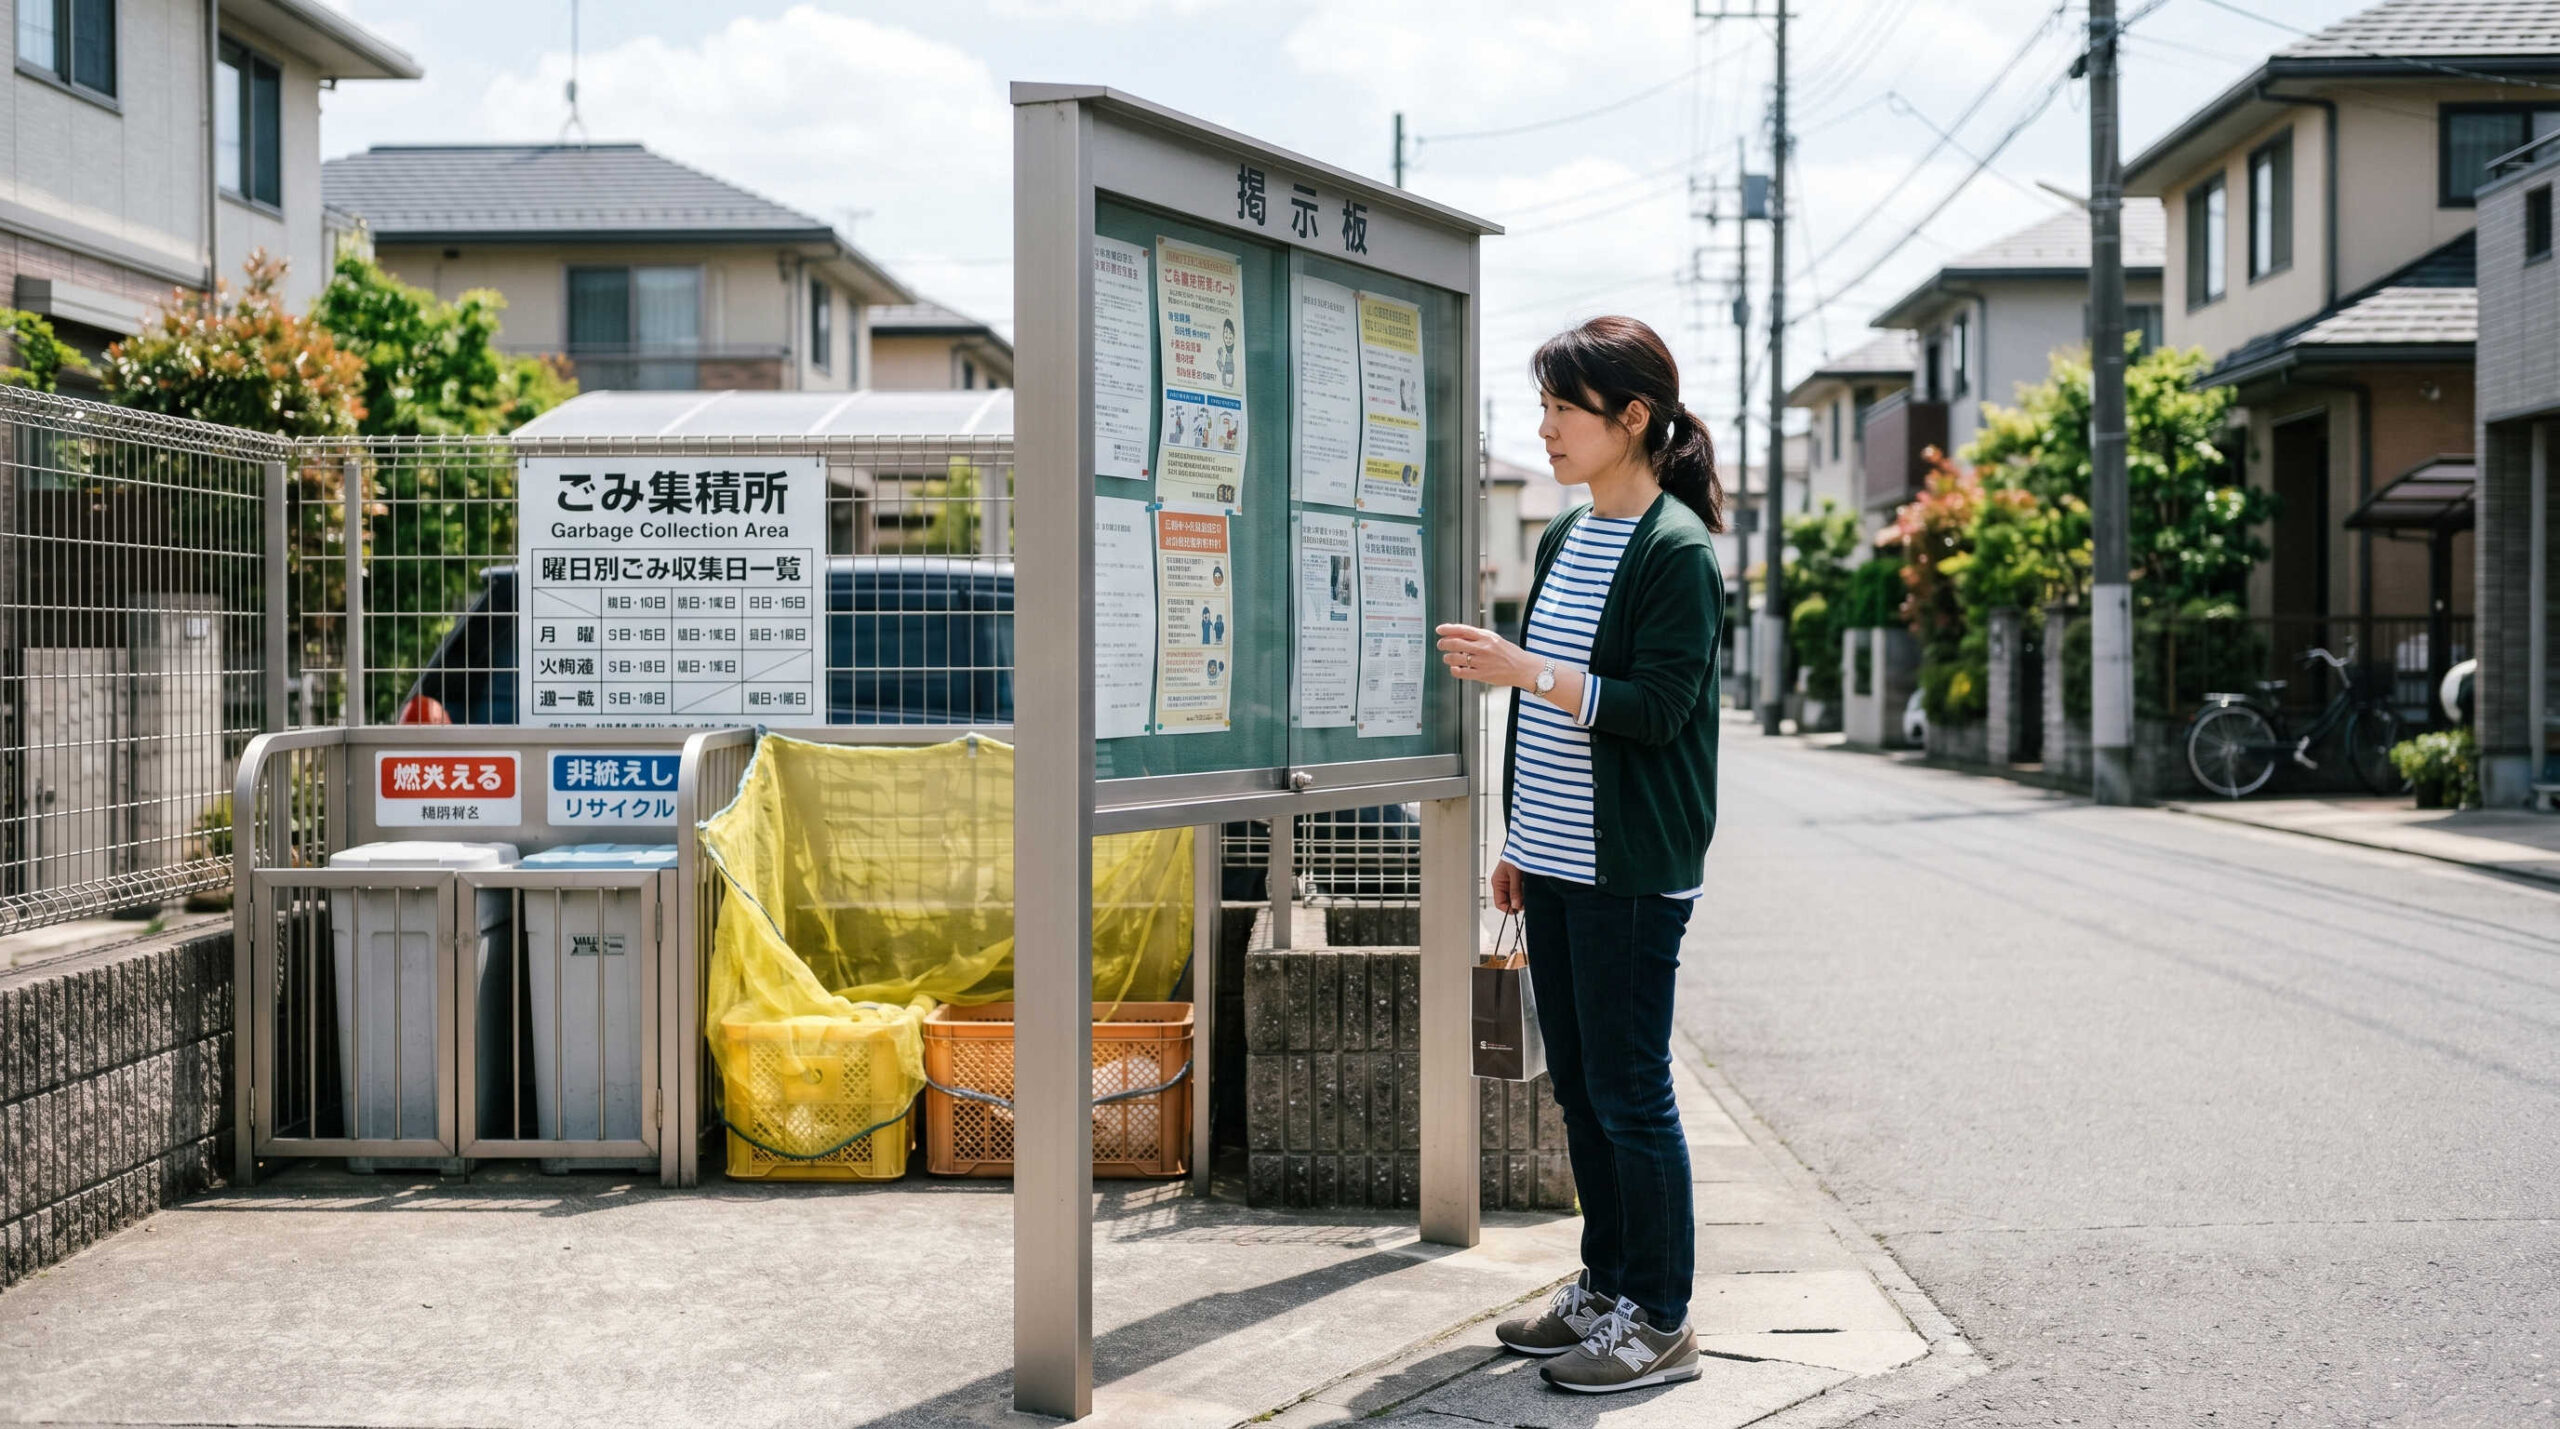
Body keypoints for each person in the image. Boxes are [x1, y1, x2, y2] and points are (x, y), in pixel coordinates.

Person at [1434, 314, 1725, 1396]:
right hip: (1555, 859)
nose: (1546, 428)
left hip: (1633, 866)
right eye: (1546, 406)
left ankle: (1661, 1318)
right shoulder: (1565, 533)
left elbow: (1654, 711)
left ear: (1632, 418)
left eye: (1564, 407)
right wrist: (1520, 841)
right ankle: (1605, 1288)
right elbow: (1552, 717)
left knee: (1631, 1089)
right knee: (1583, 1095)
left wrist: (1520, 667)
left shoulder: (1677, 550)